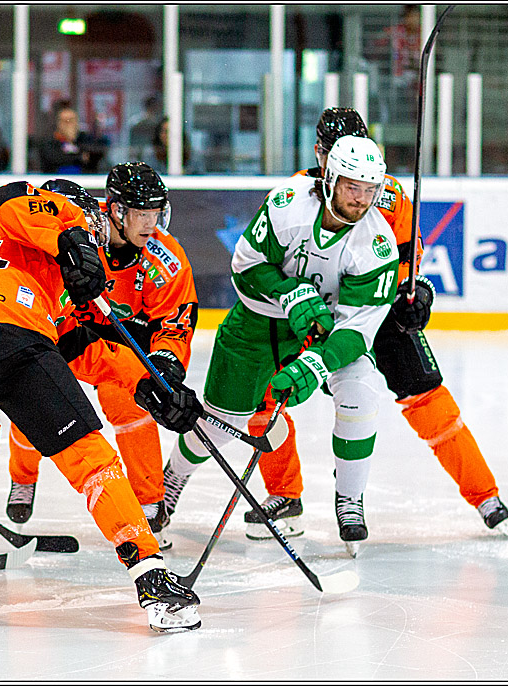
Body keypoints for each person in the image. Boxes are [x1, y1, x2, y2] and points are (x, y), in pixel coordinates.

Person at [0, 180, 203, 632]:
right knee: (92, 459)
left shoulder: (24, 258)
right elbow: (7, 200)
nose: (97, 233)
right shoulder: (51, 223)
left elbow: (77, 345)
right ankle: (152, 579)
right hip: (6, 327)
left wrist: (149, 383)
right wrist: (73, 233)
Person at [242, 108, 508, 541]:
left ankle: (484, 495)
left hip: (377, 310)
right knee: (266, 396)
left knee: (427, 397)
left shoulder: (388, 193)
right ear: (320, 153)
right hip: (318, 312)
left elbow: (409, 252)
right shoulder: (297, 193)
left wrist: (415, 290)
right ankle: (284, 493)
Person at [162, 135, 400, 558]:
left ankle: (350, 499)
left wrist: (318, 364)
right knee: (220, 420)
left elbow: (359, 327)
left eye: (369, 189)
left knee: (360, 394)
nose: (361, 200)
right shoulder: (287, 205)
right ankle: (172, 480)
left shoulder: (377, 244)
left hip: (329, 332)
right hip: (259, 320)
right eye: (352, 187)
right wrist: (290, 292)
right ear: (329, 179)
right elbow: (246, 265)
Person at [4, 163, 198, 552]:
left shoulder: (166, 259)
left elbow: (176, 322)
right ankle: (22, 477)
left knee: (130, 404)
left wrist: (164, 362)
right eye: (141, 213)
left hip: (123, 345)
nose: (149, 223)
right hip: (63, 332)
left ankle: (148, 501)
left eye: (156, 212)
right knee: (35, 401)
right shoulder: (78, 226)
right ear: (115, 209)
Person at [38, 101, 107, 174]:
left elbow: (96, 152)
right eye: (65, 121)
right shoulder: (50, 143)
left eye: (72, 120)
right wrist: (80, 157)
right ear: (58, 123)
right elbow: (53, 158)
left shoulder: (84, 139)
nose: (69, 125)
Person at [128, 96, 162, 160]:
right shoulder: (137, 123)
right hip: (142, 155)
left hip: (156, 157)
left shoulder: (159, 122)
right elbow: (132, 147)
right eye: (155, 106)